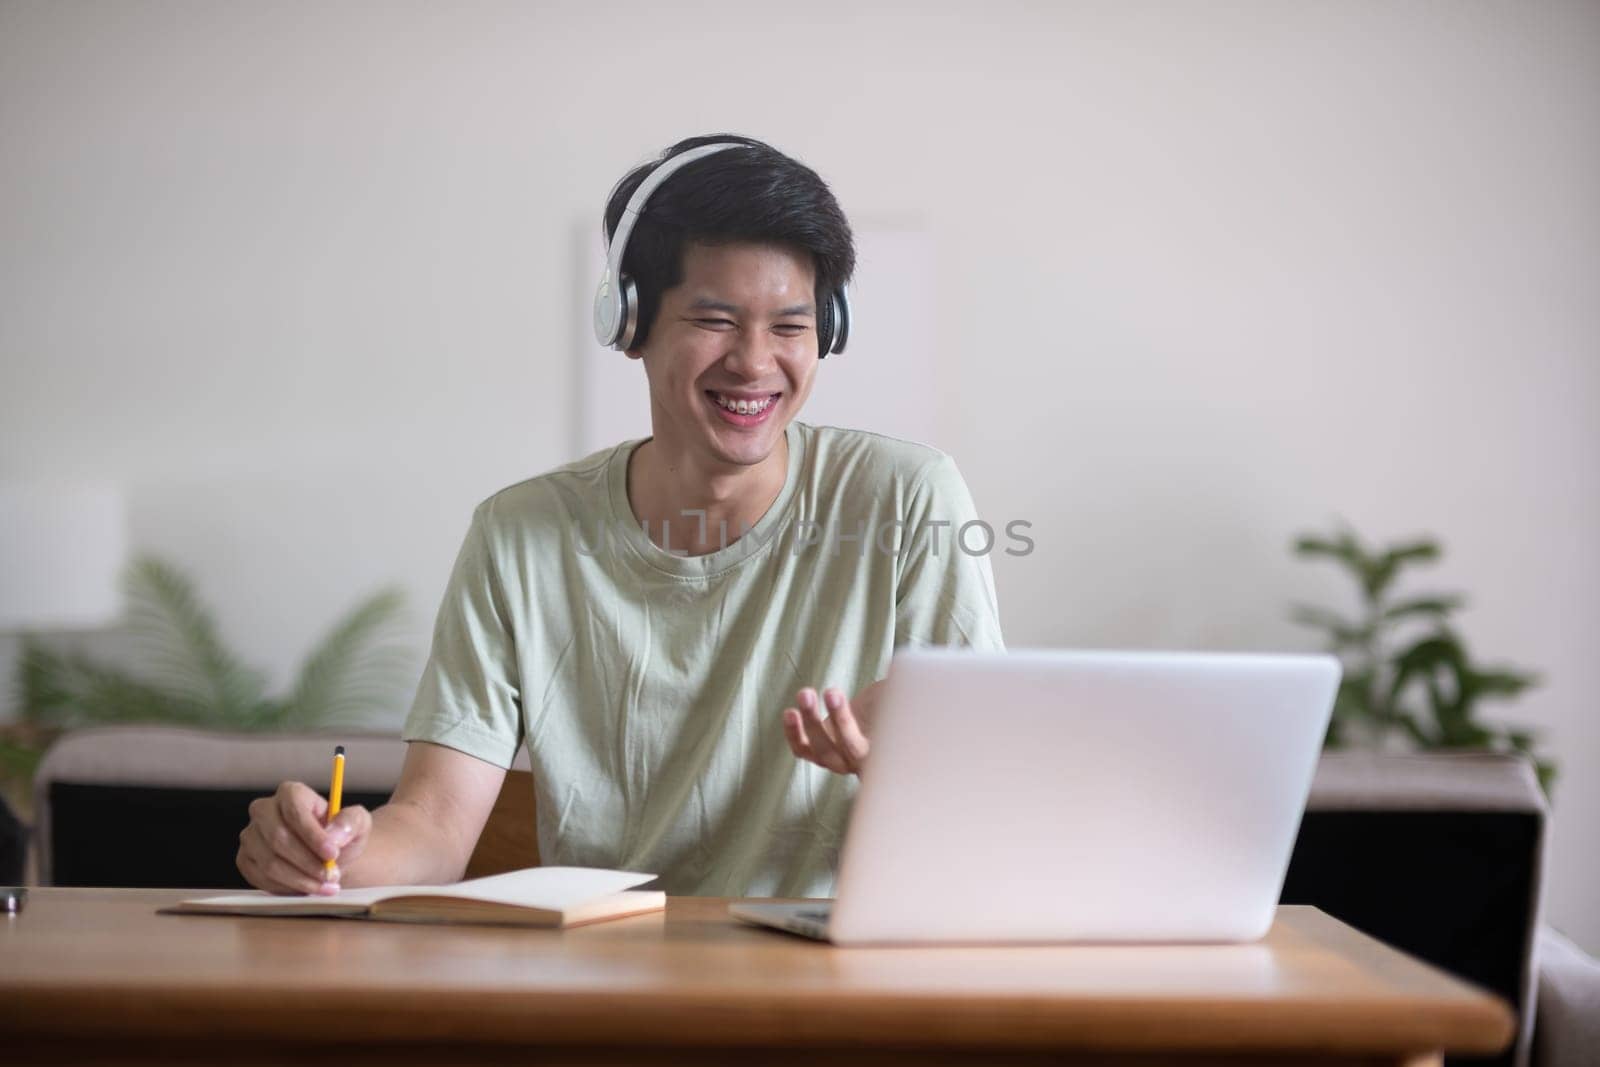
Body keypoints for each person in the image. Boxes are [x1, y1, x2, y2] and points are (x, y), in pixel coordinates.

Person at [236, 133, 1005, 898]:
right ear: (628, 322)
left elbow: (991, 811)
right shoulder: (519, 535)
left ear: (827, 330)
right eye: (716, 320)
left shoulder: (908, 500)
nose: (754, 361)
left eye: (789, 326)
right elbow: (434, 826)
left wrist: (896, 765)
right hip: (611, 978)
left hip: (824, 983)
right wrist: (333, 854)